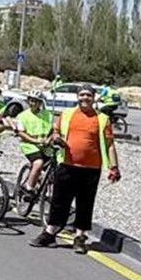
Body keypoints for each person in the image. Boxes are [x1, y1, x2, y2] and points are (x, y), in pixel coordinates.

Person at [30, 85, 121, 254]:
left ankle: (80, 237)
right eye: (81, 95)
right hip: (66, 164)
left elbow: (109, 145)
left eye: (88, 95)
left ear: (94, 98)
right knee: (59, 200)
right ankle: (50, 233)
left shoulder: (102, 119)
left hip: (91, 167)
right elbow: (55, 133)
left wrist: (114, 167)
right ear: (77, 97)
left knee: (85, 203)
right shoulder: (67, 115)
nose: (84, 98)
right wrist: (56, 138)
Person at [14, 93, 56, 199]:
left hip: (45, 145)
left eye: (36, 101)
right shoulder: (22, 116)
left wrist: (49, 139)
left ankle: (41, 182)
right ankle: (28, 187)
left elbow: (53, 130)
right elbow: (21, 133)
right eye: (31, 100)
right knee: (38, 163)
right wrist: (35, 141)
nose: (33, 103)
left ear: (40, 103)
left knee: (54, 164)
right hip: (29, 145)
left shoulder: (48, 115)